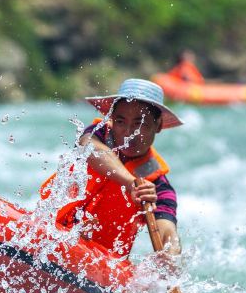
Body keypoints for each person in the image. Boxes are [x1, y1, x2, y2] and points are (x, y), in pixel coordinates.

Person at [39, 78, 183, 259]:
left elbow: (167, 232)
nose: (129, 132)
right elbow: (90, 149)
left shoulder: (159, 188)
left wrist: (170, 255)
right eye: (121, 122)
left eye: (140, 124)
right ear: (112, 119)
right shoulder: (96, 134)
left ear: (158, 125)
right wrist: (131, 183)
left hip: (99, 263)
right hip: (50, 233)